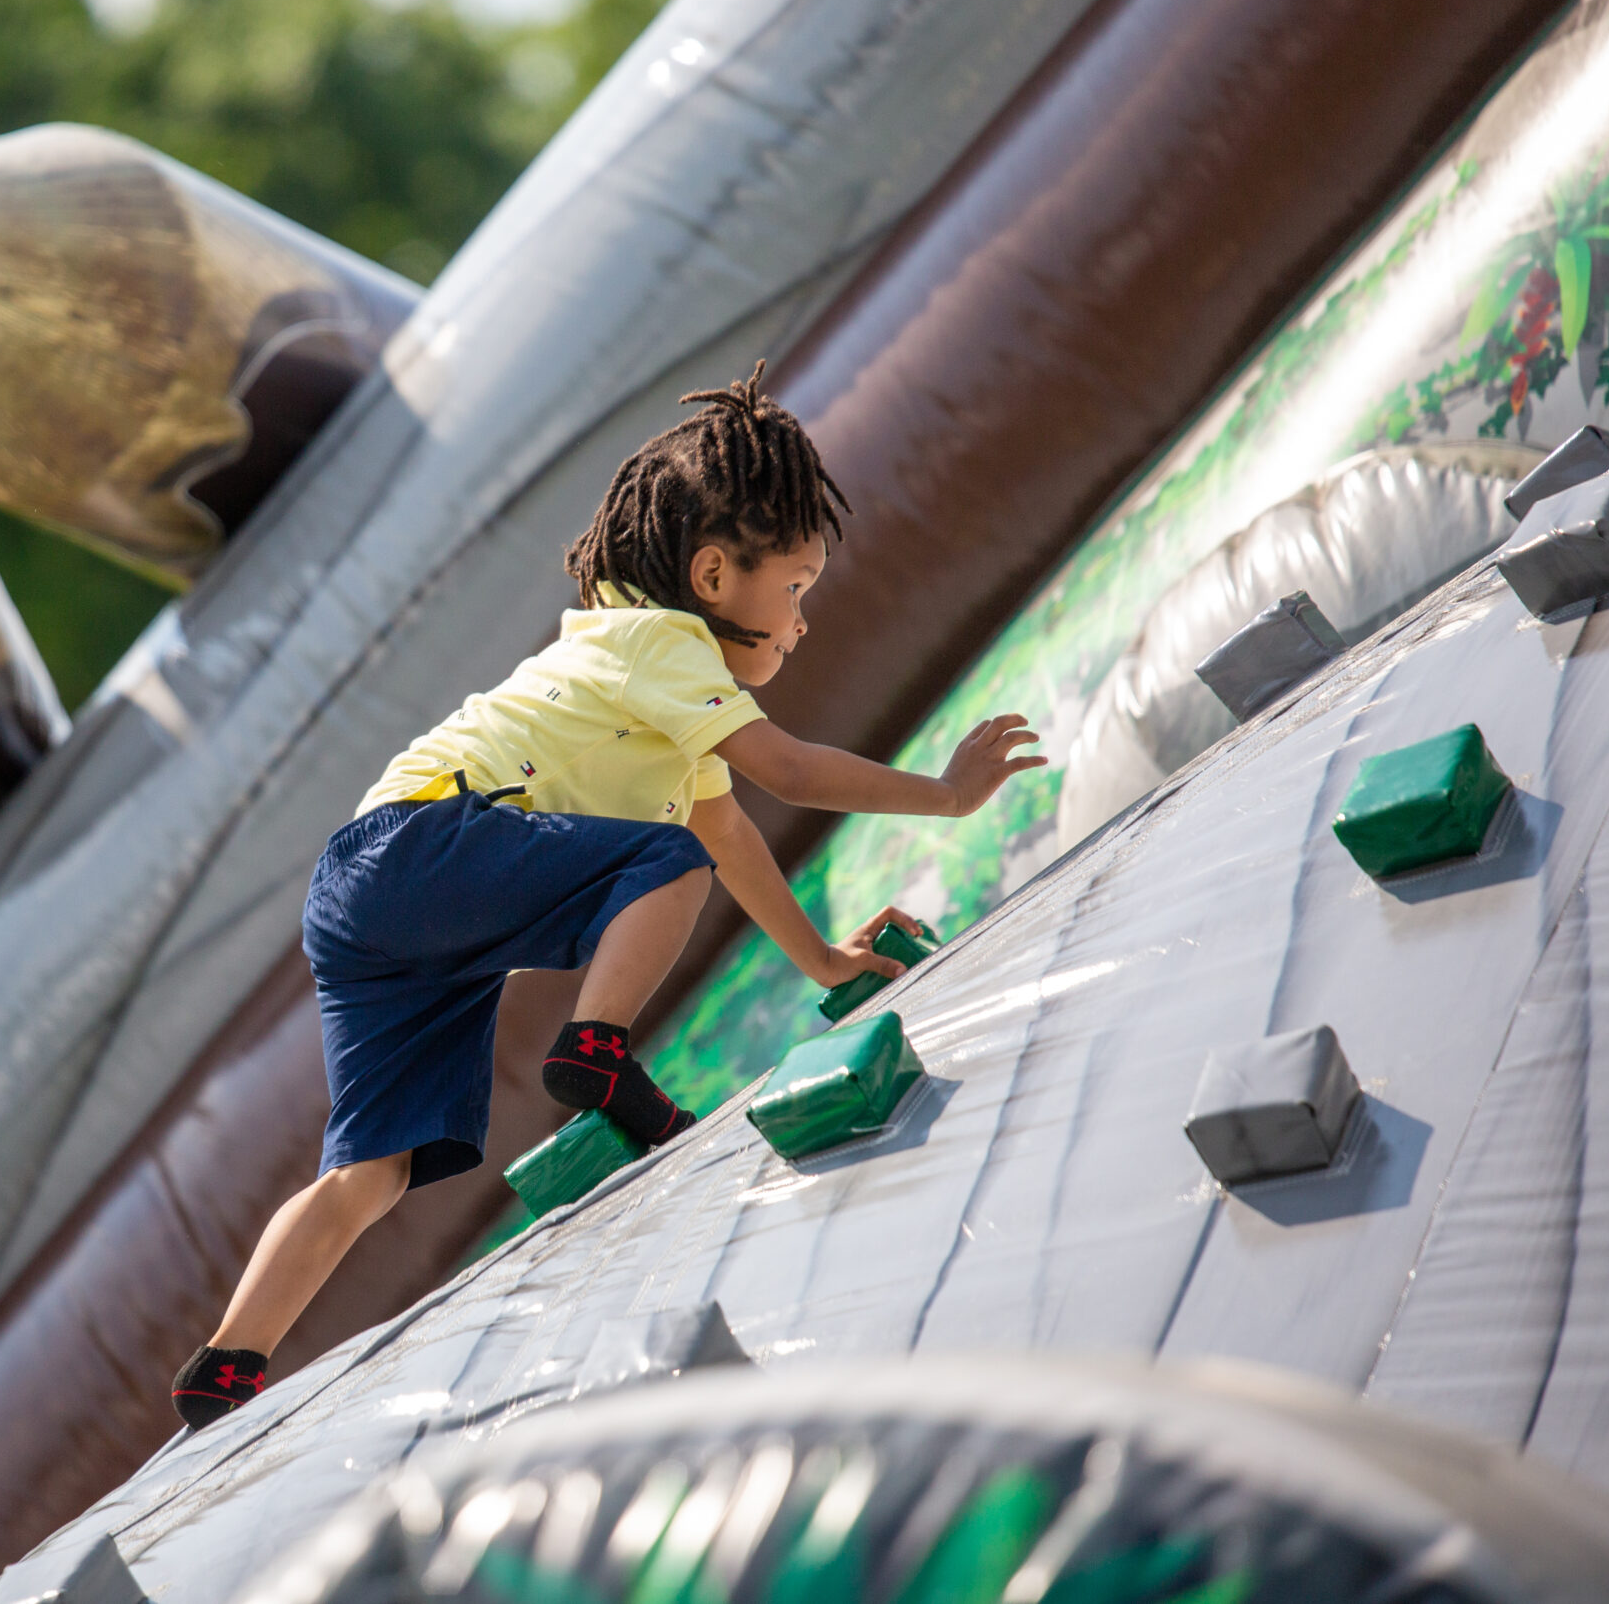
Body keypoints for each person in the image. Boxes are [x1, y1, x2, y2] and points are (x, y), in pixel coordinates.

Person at [169, 364, 1044, 1430]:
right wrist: (947, 797)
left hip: (369, 891)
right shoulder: (660, 643)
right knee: (658, 861)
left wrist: (819, 960)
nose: (804, 623)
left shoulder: (648, 687)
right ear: (713, 574)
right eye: (796, 590)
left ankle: (224, 1367)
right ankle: (594, 1053)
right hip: (420, 846)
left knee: (371, 1171)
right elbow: (790, 777)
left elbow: (733, 834)